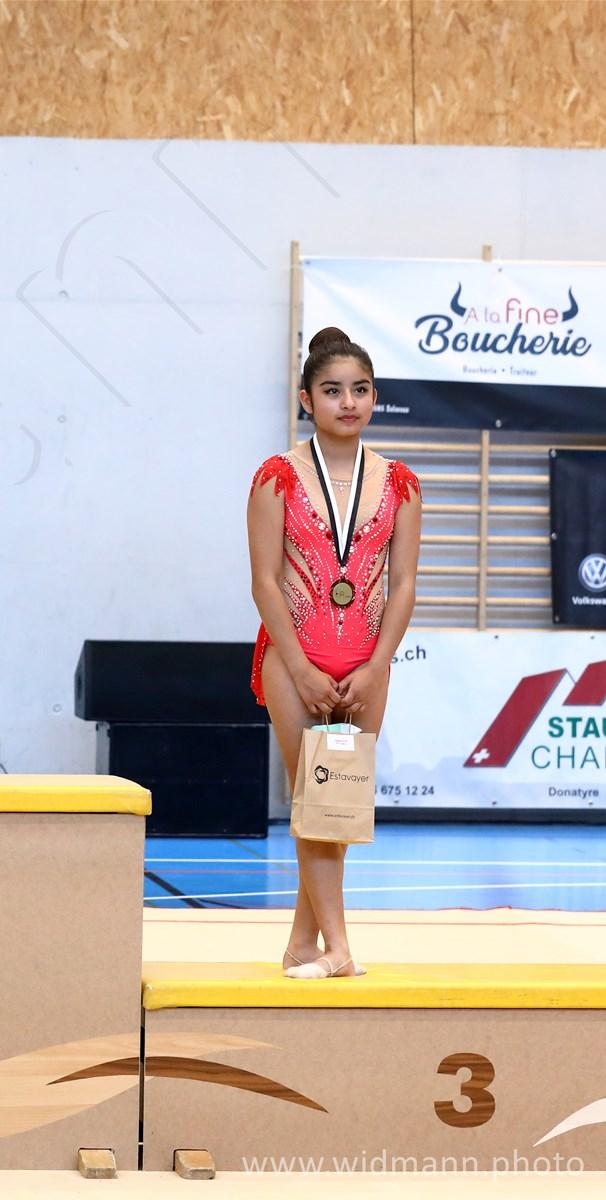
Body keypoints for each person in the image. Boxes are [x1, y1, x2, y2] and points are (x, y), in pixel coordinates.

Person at [247, 326, 421, 977]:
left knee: (336, 804)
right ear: (306, 399)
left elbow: (404, 585)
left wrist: (377, 666)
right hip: (295, 659)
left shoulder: (400, 483)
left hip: (366, 665)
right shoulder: (276, 478)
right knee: (313, 799)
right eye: (332, 390)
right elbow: (265, 581)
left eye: (360, 389)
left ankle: (303, 943)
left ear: (374, 396)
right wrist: (298, 667)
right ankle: (341, 949)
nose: (348, 402)